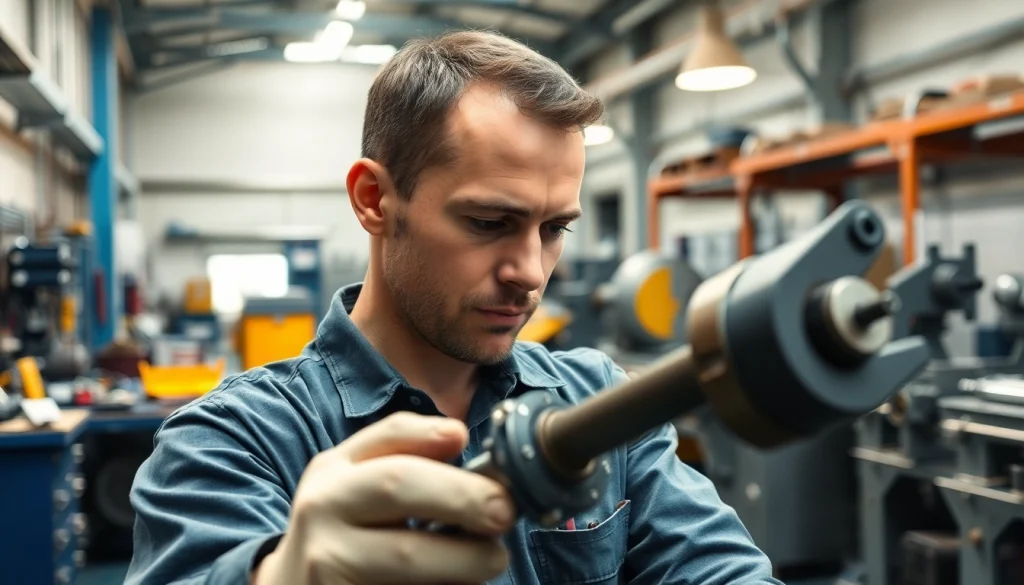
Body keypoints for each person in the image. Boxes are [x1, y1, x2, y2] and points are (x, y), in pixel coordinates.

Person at [125, 30, 782, 585]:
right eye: (490, 221)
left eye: (555, 228)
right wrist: (279, 573)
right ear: (375, 201)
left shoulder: (599, 406)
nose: (529, 272)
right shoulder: (229, 441)